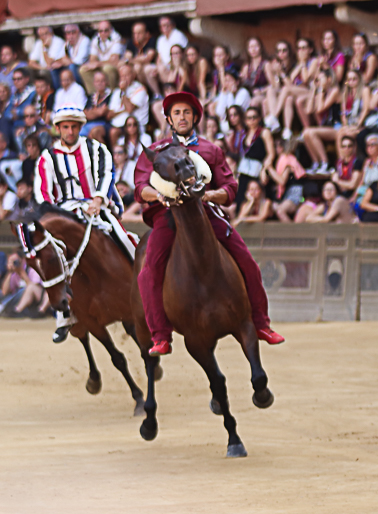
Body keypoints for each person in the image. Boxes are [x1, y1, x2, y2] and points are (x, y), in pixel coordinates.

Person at [132, 91, 284, 356]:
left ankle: (261, 323)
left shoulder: (211, 150)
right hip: (168, 216)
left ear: (195, 117)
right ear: (169, 119)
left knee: (247, 262)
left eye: (187, 112)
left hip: (206, 213)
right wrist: (158, 196)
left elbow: (231, 188)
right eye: (177, 113)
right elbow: (140, 188)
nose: (182, 117)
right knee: (148, 272)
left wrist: (210, 195)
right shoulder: (155, 152)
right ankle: (161, 335)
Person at [32, 105, 136, 342]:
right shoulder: (47, 157)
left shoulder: (97, 149)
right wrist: (55, 216)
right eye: (65, 127)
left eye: (74, 127)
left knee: (122, 237)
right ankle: (64, 317)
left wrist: (98, 200)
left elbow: (106, 175)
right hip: (62, 214)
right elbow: (42, 193)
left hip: (95, 207)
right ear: (58, 129)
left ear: (80, 127)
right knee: (52, 257)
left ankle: (142, 287)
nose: (70, 131)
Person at [302, 68, 341, 174]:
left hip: (337, 127)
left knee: (311, 132)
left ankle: (325, 163)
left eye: (320, 79)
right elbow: (308, 110)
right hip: (327, 126)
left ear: (329, 79)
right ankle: (316, 163)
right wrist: (312, 91)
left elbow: (320, 109)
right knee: (306, 133)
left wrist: (320, 91)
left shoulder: (334, 90)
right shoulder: (321, 92)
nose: (317, 81)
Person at [106, 63, 149, 146]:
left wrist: (123, 92)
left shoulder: (140, 89)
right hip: (118, 123)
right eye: (122, 76)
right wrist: (123, 111)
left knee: (114, 132)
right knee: (96, 131)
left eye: (126, 75)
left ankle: (117, 153)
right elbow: (109, 115)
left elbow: (129, 109)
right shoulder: (117, 91)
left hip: (135, 125)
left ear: (133, 75)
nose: (124, 79)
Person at [79, 21, 123, 94]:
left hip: (115, 66)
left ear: (111, 30)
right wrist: (95, 64)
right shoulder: (96, 39)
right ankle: (93, 94)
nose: (103, 33)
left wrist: (98, 64)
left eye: (106, 30)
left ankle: (110, 93)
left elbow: (114, 60)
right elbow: (92, 58)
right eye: (101, 31)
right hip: (101, 65)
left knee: (107, 68)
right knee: (83, 69)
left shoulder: (116, 38)